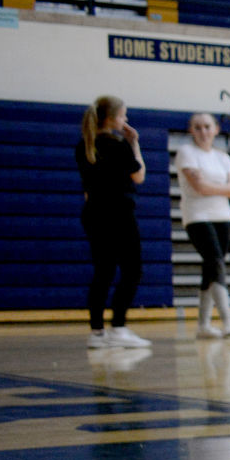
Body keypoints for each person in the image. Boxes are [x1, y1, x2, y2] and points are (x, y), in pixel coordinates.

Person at [74, 95, 150, 349]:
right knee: (132, 269)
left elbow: (87, 187)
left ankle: (97, 333)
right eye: (123, 115)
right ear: (111, 118)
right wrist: (134, 143)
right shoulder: (119, 144)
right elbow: (138, 176)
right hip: (119, 214)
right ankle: (118, 326)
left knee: (103, 272)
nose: (126, 120)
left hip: (93, 213)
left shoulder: (84, 145)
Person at [173, 112, 230, 338]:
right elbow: (199, 187)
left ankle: (203, 325)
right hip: (197, 216)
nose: (203, 131)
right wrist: (219, 188)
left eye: (207, 126)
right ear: (190, 130)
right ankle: (228, 321)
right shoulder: (186, 153)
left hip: (223, 216)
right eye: (197, 127)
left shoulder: (223, 157)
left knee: (211, 267)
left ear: (215, 129)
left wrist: (210, 186)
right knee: (215, 261)